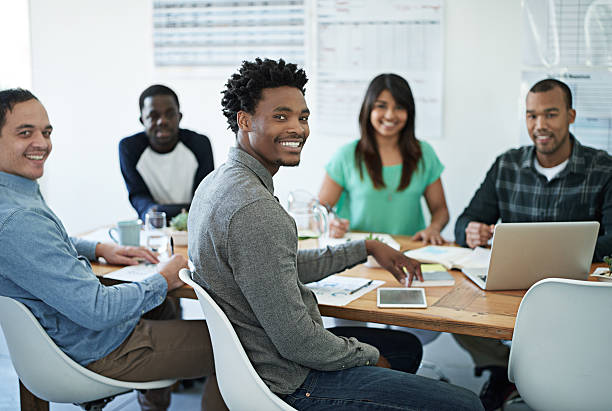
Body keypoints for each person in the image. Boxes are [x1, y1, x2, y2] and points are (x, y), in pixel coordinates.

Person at [188, 58, 483, 411]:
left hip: (261, 356)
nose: (298, 128)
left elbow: (281, 266)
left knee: (406, 347)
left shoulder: (218, 183)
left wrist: (366, 247)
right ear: (245, 120)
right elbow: (298, 342)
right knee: (466, 404)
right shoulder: (255, 209)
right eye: (281, 116)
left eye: (303, 117)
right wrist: (369, 357)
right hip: (291, 379)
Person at [0, 89, 227, 411]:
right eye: (26, 132)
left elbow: (44, 243)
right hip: (99, 348)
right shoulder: (19, 219)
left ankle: (153, 404)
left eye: (46, 132)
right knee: (241, 344)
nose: (43, 143)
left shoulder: (15, 195)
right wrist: (163, 278)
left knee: (161, 307)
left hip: (71, 335)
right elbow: (98, 310)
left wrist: (100, 248)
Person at [453, 78, 612, 410]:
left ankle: (533, 375)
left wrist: (565, 252)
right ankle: (506, 370)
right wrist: (471, 231)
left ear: (571, 115)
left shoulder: (602, 168)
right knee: (453, 311)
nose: (540, 126)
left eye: (550, 115)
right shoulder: (507, 165)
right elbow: (464, 221)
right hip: (510, 289)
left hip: (573, 293)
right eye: (531, 116)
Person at [318, 73, 449, 244]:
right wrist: (330, 223)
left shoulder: (424, 153)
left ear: (409, 112)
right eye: (381, 106)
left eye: (399, 107)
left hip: (408, 252)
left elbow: (441, 210)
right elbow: (319, 210)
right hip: (359, 254)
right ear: (368, 109)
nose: (390, 115)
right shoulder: (347, 155)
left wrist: (433, 228)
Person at [119, 84, 214, 221]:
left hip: (194, 224)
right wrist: (154, 211)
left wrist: (158, 210)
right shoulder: (129, 148)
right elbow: (139, 197)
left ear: (179, 117)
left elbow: (204, 200)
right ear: (142, 120)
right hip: (153, 227)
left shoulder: (199, 144)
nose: (162, 121)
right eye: (153, 116)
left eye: (169, 114)